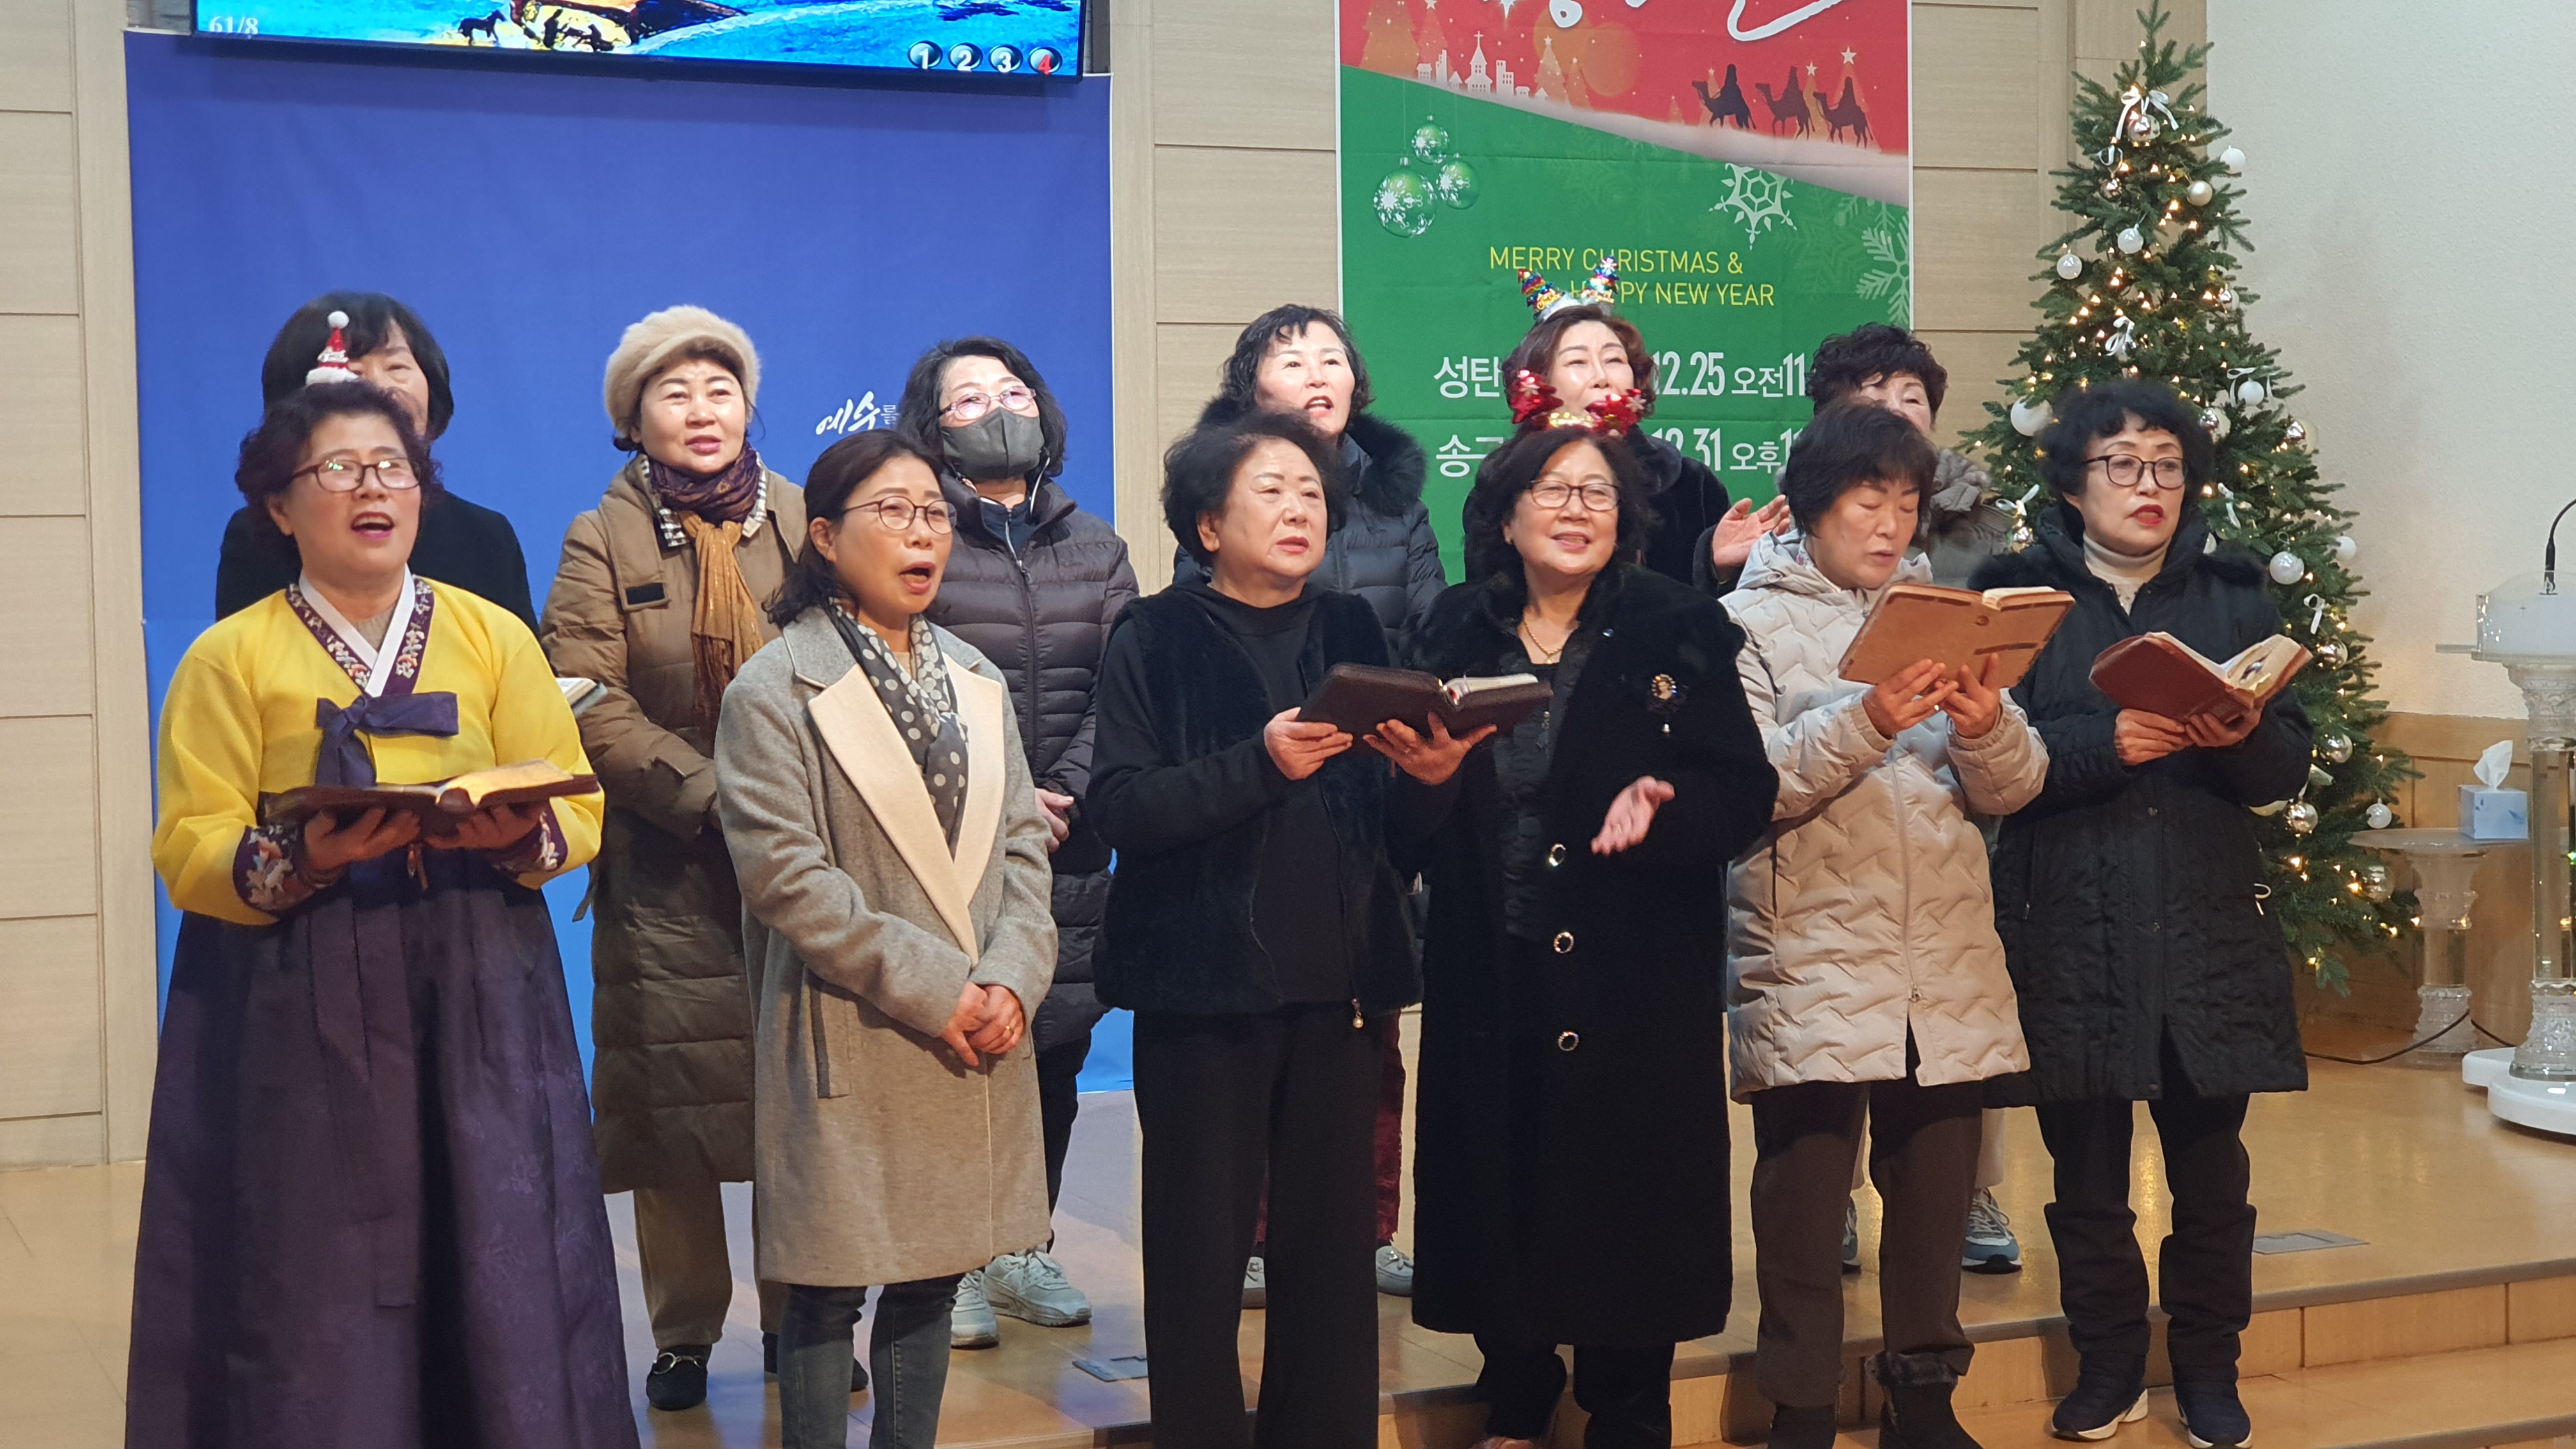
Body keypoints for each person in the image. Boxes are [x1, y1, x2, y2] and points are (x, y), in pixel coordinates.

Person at [135, 381, 631, 1448]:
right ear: (279, 505)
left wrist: (514, 833)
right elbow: (189, 842)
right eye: (340, 469)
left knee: (495, 1232)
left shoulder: (493, 634)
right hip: (296, 985)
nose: (374, 488)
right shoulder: (229, 656)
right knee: (316, 1255)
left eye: (393, 468)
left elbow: (578, 801)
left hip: (477, 972)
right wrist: (300, 857)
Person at [1402, 378, 1778, 1449]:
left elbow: (1744, 791)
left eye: (1599, 493)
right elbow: (1403, 812)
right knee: (1501, 1172)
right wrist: (1426, 783)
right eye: (1554, 490)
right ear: (1507, 514)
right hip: (1493, 956)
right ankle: (1516, 1391)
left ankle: (1629, 1403)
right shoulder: (1453, 626)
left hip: (1634, 970)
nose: (1577, 509)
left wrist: (1668, 801)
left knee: (1629, 1193)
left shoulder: (1676, 622)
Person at [1090, 411, 1473, 1448]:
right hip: (1200, 993)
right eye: (1271, 490)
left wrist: (1434, 782)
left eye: (1311, 492)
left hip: (1339, 990)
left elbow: (1394, 834)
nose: (1299, 507)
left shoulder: (1351, 630)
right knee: (1198, 1261)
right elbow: (1120, 807)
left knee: (1331, 1265)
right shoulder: (1153, 634)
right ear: (1208, 525)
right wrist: (1258, 762)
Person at [1969, 379, 2310, 1448]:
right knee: (2085, 1178)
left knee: (2213, 1177)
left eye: (2166, 464)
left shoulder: (2234, 594)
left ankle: (2208, 1369)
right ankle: (2107, 1366)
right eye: (2121, 464)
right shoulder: (2013, 596)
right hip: (2069, 918)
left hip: (2206, 918)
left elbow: (2284, 771)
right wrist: (2100, 745)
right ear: (2073, 486)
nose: (2147, 484)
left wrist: (2241, 731)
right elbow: (1986, 762)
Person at [714, 428, 1057, 1449]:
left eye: (935, 514)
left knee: (933, 1277)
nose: (923, 534)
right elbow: (788, 879)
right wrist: (940, 990)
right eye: (894, 512)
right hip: (853, 1022)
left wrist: (1011, 981)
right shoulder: (774, 687)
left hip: (976, 1021)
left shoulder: (977, 675)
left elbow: (1024, 846)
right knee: (828, 1287)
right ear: (824, 536)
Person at [1722, 402, 2048, 1449]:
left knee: (1935, 1194)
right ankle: (1802, 1406)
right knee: (1804, 1204)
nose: (1890, 523)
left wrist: (1985, 726)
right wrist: (1869, 718)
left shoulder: (1947, 615)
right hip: (1810, 945)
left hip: (1944, 956)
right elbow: (1747, 784)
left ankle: (1925, 1398)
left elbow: (2016, 785)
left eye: (1907, 504)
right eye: (1869, 500)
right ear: (1813, 506)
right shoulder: (1744, 624)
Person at [539, 305, 825, 1409]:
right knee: (673, 1112)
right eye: (674, 393)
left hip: (806, 857)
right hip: (666, 861)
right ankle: (685, 1332)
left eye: (720, 388)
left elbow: (856, 658)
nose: (701, 410)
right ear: (633, 420)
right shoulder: (599, 536)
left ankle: (806, 1319)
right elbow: (581, 696)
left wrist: (792, 806)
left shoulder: (807, 516)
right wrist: (714, 797)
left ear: (749, 406)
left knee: (804, 1100)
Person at [1172, 302, 1439, 1301]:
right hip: (1260, 774)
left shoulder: (1397, 505)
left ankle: (1367, 1227)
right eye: (1293, 360)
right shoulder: (1215, 487)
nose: (1319, 373)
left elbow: (1426, 628)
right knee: (1257, 1028)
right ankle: (1253, 1232)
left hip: (1373, 775)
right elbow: (1203, 637)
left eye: (1334, 358)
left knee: (1369, 1025)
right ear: (1251, 387)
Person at [896, 336, 1138, 1346]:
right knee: (955, 1051)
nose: (998, 408)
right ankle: (949, 1261)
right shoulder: (916, 533)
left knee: (1055, 1051)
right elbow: (899, 679)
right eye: (968, 398)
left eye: (1013, 391)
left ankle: (1022, 1246)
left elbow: (1124, 686)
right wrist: (997, 798)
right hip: (946, 841)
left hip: (1068, 845)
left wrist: (1067, 791)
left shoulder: (1098, 548)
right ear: (931, 426)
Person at [1807, 323, 2027, 1276]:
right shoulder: (1779, 563)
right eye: (1873, 395)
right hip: (1829, 868)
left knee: (1952, 1035)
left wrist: (1986, 716)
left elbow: (2014, 750)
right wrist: (1867, 717)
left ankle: (1971, 1191)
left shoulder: (1979, 524)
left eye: (1912, 398)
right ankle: (1837, 1202)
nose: (1897, 413)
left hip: (1946, 836)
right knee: (1837, 1041)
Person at [217, 292, 537, 629]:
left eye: (397, 367)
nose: (381, 388)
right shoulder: (259, 535)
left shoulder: (485, 536)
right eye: (353, 370)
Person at [1501, 266, 1788, 591]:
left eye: (1614, 360)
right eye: (1578, 362)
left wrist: (1711, 564)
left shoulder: (1690, 485)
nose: (1602, 377)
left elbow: (1711, 615)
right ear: (1538, 382)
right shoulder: (1508, 482)